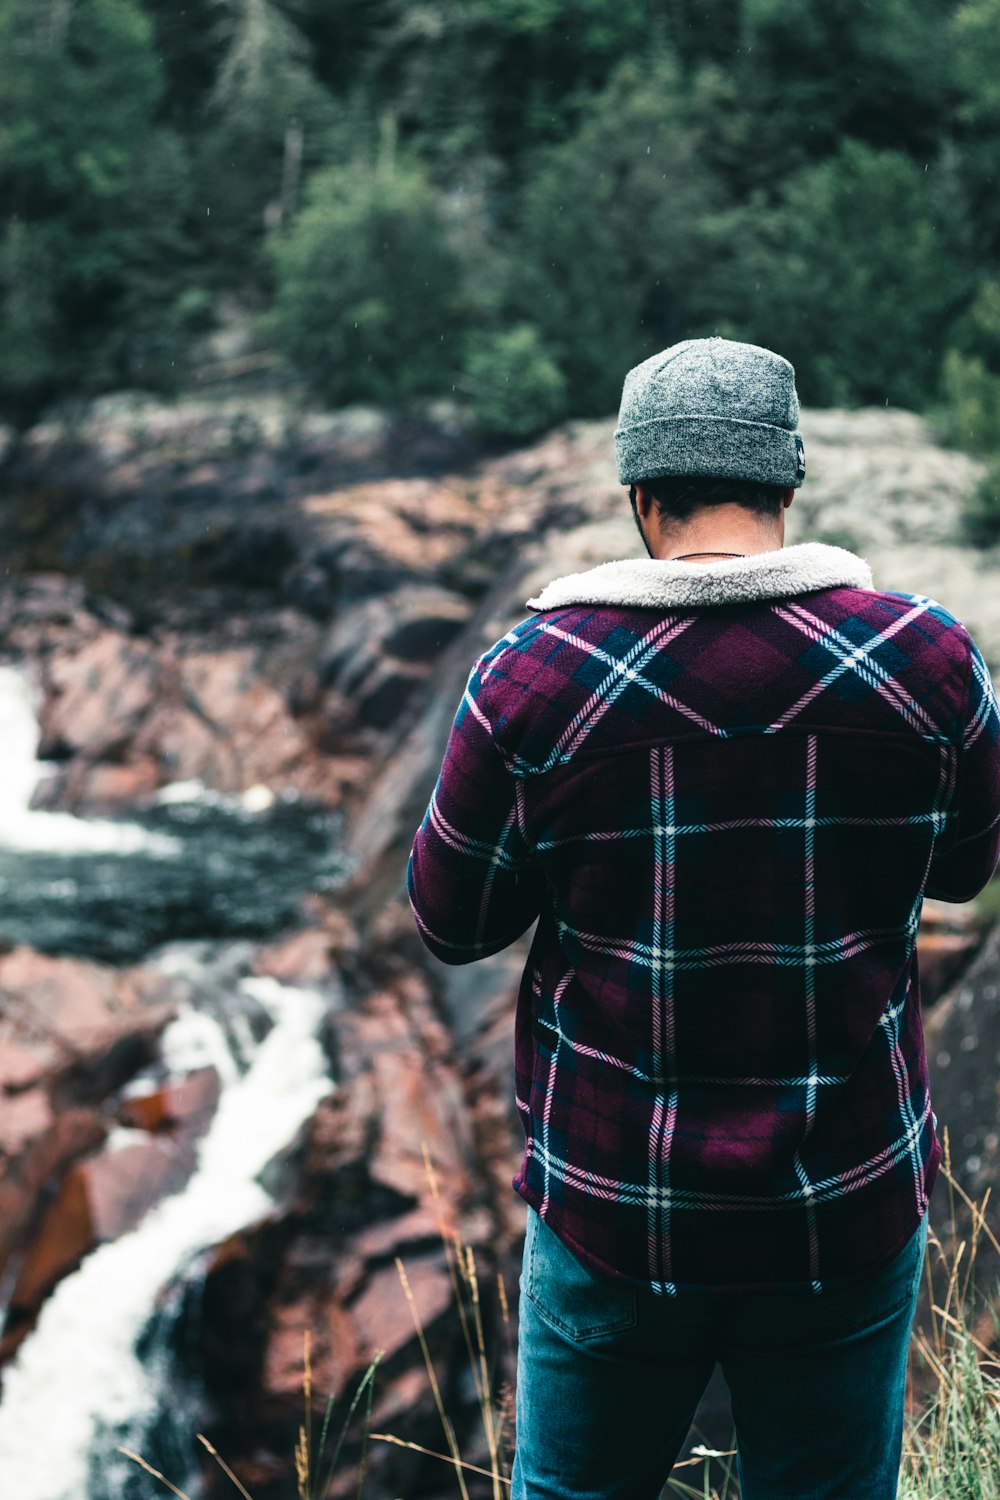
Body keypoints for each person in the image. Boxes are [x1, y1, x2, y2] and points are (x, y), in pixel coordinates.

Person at [407, 337, 1000, 1500]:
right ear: (786, 487)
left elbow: (450, 919)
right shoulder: (925, 658)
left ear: (639, 496)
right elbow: (969, 870)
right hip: (844, 1204)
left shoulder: (534, 678)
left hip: (615, 1211)